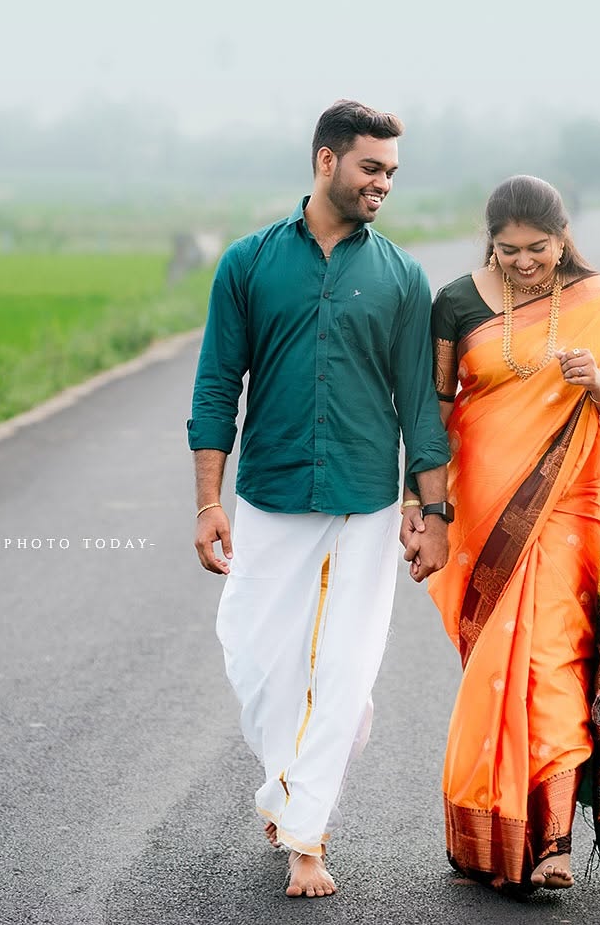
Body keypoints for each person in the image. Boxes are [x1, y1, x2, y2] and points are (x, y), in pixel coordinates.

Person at [188, 99, 451, 900]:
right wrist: (208, 501)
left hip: (365, 506)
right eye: (372, 167)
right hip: (269, 498)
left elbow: (421, 406)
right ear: (326, 160)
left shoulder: (402, 276)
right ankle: (289, 787)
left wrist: (431, 512)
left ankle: (309, 835)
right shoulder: (249, 262)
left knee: (341, 669)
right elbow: (214, 387)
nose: (384, 184)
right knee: (260, 663)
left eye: (393, 173)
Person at [426, 175, 600, 894]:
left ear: (563, 236)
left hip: (571, 505)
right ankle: (493, 831)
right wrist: (427, 510)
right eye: (508, 250)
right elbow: (431, 415)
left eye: (538, 248)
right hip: (485, 510)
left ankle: (555, 842)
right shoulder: (454, 303)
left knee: (551, 660)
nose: (524, 262)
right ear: (490, 241)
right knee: (497, 670)